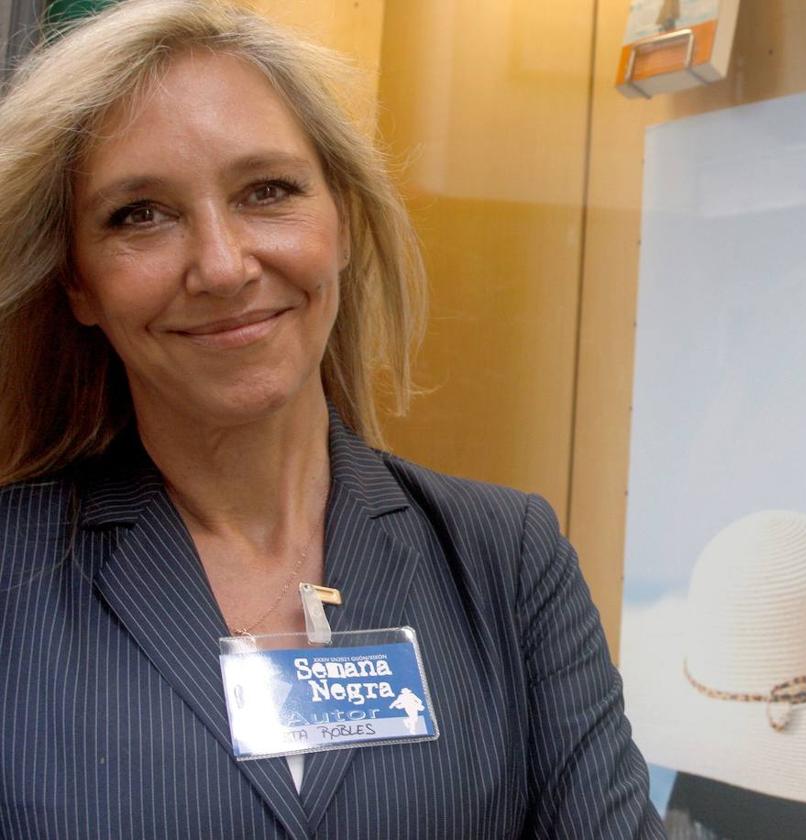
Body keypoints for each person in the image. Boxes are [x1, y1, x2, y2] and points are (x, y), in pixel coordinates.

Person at [0, 2, 664, 838]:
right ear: (78, 284)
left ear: (342, 220)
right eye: (140, 214)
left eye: (266, 191)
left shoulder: (507, 558)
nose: (221, 265)